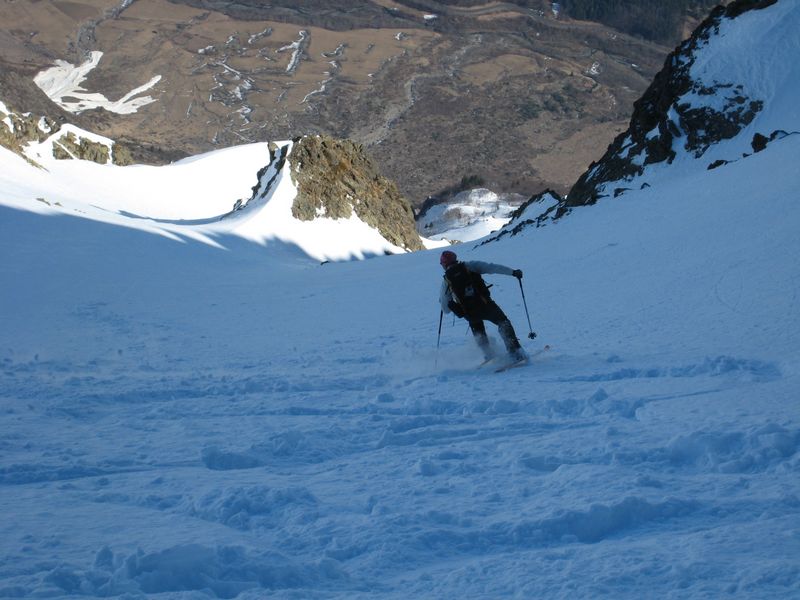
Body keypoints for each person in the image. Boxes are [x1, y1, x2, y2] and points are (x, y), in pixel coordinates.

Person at [438, 250, 526, 362]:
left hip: (470, 314)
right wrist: (513, 272)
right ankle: (515, 353)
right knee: (503, 322)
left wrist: (443, 301)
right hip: (486, 306)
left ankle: (489, 355)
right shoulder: (470, 266)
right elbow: (492, 268)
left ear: (444, 264)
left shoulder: (446, 281)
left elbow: (445, 310)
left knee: (478, 331)